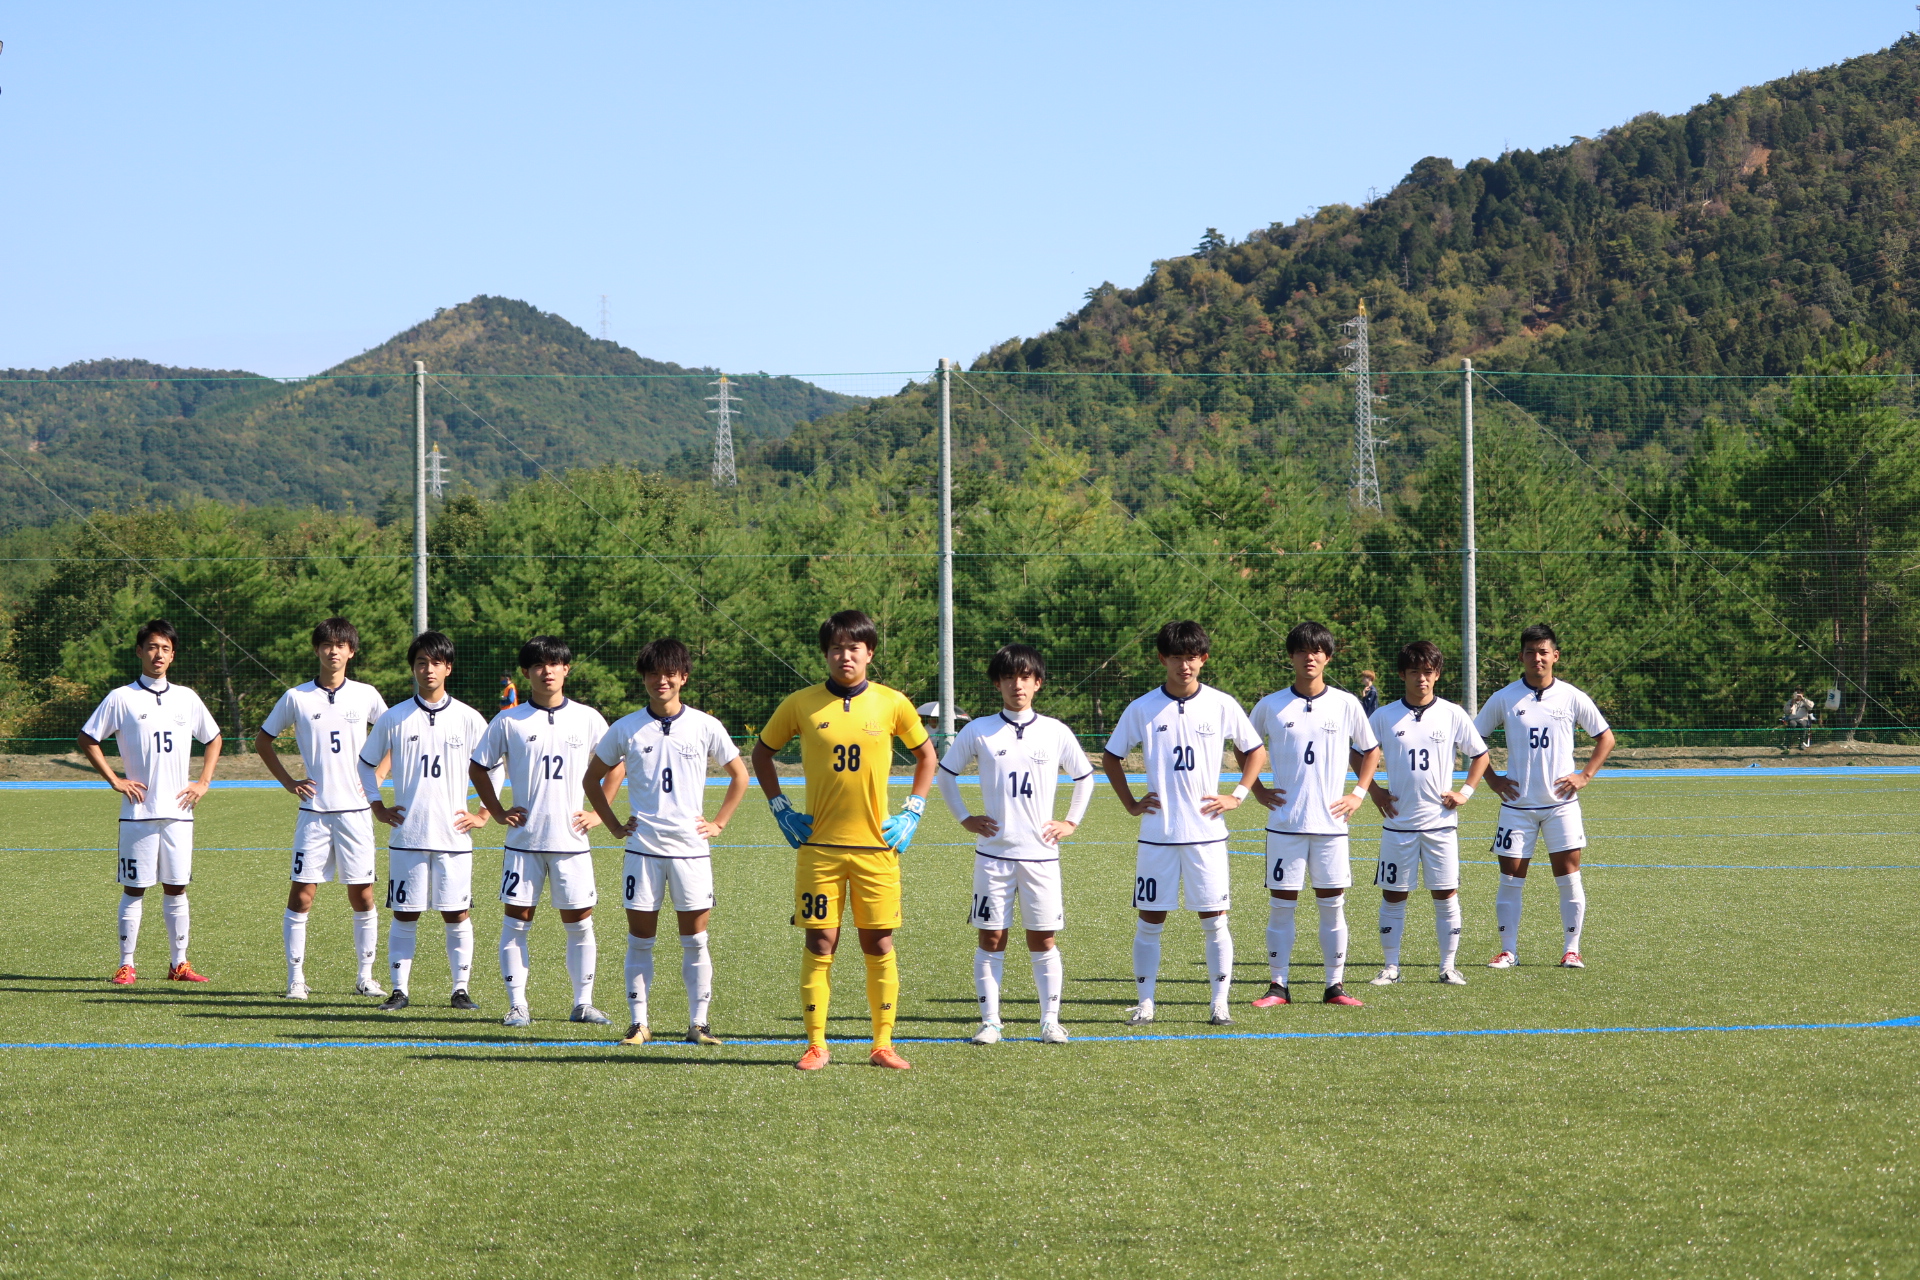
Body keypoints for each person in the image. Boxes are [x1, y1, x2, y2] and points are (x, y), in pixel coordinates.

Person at [751, 610, 939, 1071]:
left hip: (878, 848)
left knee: (879, 944)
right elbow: (762, 753)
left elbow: (926, 755)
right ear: (826, 654)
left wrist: (913, 809)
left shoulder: (893, 703)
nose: (844, 656)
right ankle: (816, 1044)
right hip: (819, 849)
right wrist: (781, 808)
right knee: (821, 943)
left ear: (869, 652)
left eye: (854, 647)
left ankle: (883, 1044)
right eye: (836, 648)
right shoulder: (801, 703)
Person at [584, 638, 750, 1048]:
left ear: (684, 677)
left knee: (695, 940)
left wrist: (718, 823)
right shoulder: (625, 727)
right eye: (653, 673)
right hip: (642, 851)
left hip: (691, 851)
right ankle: (639, 1023)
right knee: (640, 940)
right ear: (644, 678)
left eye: (670, 673)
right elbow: (591, 779)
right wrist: (612, 824)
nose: (662, 680)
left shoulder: (705, 725)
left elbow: (740, 775)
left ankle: (699, 1024)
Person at [1101, 620, 1266, 1028]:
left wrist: (1238, 795)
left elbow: (1255, 751)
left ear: (1203, 659)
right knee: (1149, 921)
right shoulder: (1142, 708)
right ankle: (1145, 1004)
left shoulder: (1222, 704)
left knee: (1215, 920)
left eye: (1192, 657)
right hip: (1157, 836)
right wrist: (1131, 804)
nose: (1184, 665)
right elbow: (1111, 757)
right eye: (1176, 657)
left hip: (1206, 836)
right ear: (1163, 659)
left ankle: (1219, 1004)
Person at [936, 644, 1095, 1046]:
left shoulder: (1055, 731)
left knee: (1043, 939)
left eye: (1025, 677)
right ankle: (991, 1022)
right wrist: (965, 818)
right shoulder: (979, 729)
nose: (1017, 685)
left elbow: (1084, 776)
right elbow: (946, 774)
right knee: (991, 938)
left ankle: (1050, 1021)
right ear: (997, 683)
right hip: (994, 856)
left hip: (1041, 857)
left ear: (1038, 683)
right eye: (1008, 677)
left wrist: (1070, 821)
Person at [469, 636, 613, 1028]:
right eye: (537, 665)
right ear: (526, 672)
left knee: (580, 922)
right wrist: (497, 811)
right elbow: (478, 767)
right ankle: (518, 1005)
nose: (546, 671)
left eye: (554, 664)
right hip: (524, 842)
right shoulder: (508, 720)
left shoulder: (587, 718)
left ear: (566, 669)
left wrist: (599, 813)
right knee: (516, 921)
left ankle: (583, 1003)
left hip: (572, 841)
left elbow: (615, 764)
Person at [79, 619, 223, 986]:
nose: (159, 654)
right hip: (138, 812)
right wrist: (114, 779)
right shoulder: (121, 697)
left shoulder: (187, 698)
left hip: (179, 813)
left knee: (177, 888)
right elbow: (88, 737)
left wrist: (203, 782)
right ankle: (126, 964)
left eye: (166, 649)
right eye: (153, 647)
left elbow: (213, 738)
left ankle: (179, 964)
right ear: (140, 651)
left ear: (173, 656)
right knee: (135, 888)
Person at [1247, 621, 1382, 1009]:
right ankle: (1278, 987)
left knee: (1332, 906)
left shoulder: (1346, 703)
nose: (1310, 657)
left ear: (1328, 657)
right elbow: (1245, 746)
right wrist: (1257, 789)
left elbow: (1370, 750)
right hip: (1285, 825)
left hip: (1331, 826)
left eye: (1317, 650)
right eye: (1302, 650)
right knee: (1281, 906)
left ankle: (1334, 986)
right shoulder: (1271, 705)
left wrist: (1358, 794)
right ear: (1291, 657)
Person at [255, 617, 390, 1000]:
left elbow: (393, 735)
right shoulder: (297, 697)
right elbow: (263, 741)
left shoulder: (365, 694)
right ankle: (296, 979)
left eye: (340, 645)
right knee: (302, 895)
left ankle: (366, 977)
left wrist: (377, 777)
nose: (333, 651)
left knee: (362, 895)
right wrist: (290, 783)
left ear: (351, 651)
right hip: (314, 813)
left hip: (356, 814)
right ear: (317, 650)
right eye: (327, 644)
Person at [356, 631, 490, 1012]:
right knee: (405, 913)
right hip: (408, 836)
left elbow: (493, 766)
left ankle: (460, 990)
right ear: (413, 668)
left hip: (453, 837)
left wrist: (484, 813)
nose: (428, 669)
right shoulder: (394, 717)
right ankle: (399, 990)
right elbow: (364, 765)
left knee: (457, 914)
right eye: (420, 663)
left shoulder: (468, 718)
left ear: (448, 668)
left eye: (435, 663)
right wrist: (377, 807)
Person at [1475, 624, 1615, 970]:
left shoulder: (1571, 696)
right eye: (1530, 652)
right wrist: (1492, 779)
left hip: (1561, 805)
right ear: (1521, 656)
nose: (1536, 658)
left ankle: (1572, 950)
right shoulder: (1505, 697)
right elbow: (1473, 740)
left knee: (1568, 877)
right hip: (1516, 807)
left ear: (1555, 656)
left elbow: (1606, 738)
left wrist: (1584, 775)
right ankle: (1508, 951)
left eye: (1543, 652)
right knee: (1510, 880)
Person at [1364, 640, 1490, 987]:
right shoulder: (1384, 715)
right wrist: (1374, 791)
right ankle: (1391, 967)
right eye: (1414, 671)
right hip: (1398, 824)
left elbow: (1480, 754)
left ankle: (1448, 967)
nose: (1422, 678)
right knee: (1393, 895)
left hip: (1440, 825)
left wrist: (1465, 792)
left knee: (1446, 894)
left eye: (1428, 671)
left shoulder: (1452, 713)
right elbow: (1358, 753)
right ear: (1402, 675)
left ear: (1437, 675)